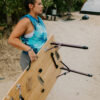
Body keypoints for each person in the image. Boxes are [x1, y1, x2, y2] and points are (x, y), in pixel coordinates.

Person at [8, 0, 47, 70]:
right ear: (31, 6)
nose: (42, 6)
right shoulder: (26, 21)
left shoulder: (39, 20)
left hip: (41, 59)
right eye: (39, 4)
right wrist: (28, 49)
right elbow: (11, 39)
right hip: (29, 60)